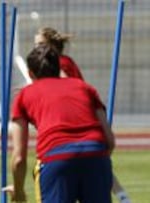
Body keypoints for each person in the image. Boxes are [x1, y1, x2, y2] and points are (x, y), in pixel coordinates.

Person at [3, 44, 115, 203]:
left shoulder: (24, 95)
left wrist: (19, 191)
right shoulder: (84, 87)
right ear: (58, 68)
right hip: (96, 156)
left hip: (56, 159)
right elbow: (109, 140)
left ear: (30, 73)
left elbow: (19, 157)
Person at [34, 27, 131, 203]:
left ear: (52, 45)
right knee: (94, 160)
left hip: (76, 117)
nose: (36, 48)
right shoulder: (65, 61)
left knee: (81, 160)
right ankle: (123, 196)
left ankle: (122, 195)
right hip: (85, 112)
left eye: (40, 44)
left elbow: (62, 82)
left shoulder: (59, 64)